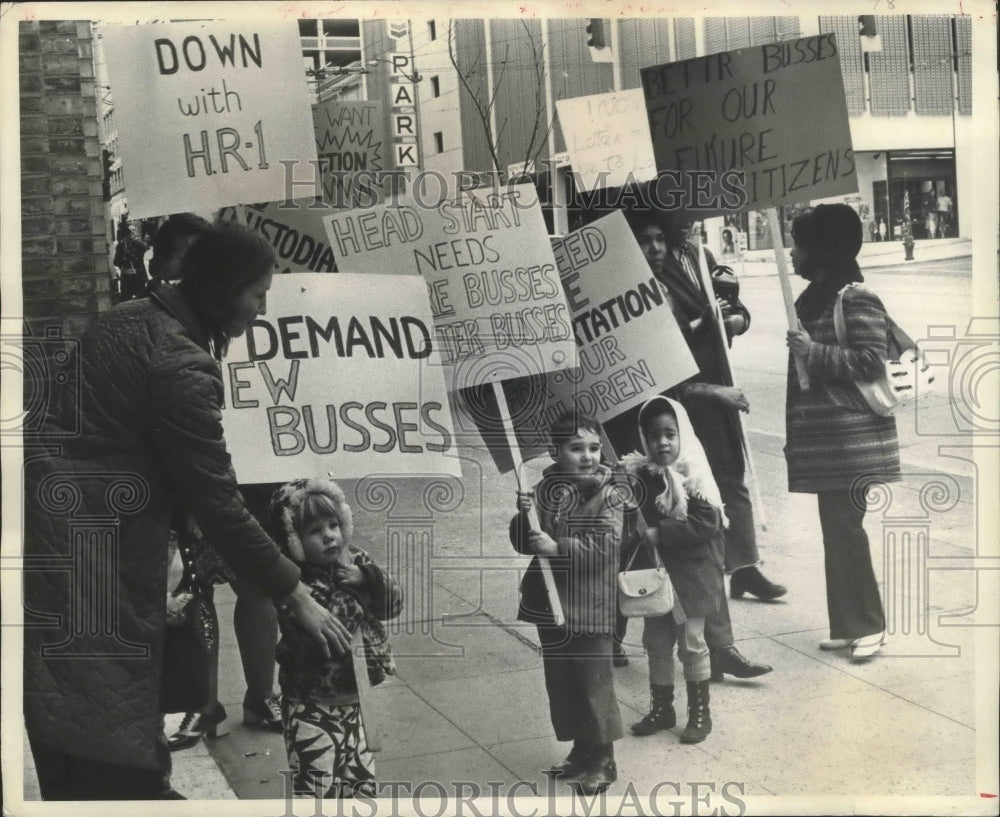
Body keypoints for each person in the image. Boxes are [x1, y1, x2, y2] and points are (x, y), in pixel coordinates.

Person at [23, 222, 353, 800]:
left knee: (91, 722)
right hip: (96, 558)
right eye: (257, 294)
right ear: (224, 291)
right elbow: (217, 500)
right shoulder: (178, 362)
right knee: (105, 744)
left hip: (67, 538)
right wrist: (293, 592)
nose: (263, 308)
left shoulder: (133, 318)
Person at [616, 207, 779, 683]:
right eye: (645, 242)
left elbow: (718, 321)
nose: (657, 249)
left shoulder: (687, 271)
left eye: (660, 239)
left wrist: (724, 320)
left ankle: (721, 646)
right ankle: (610, 633)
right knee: (638, 543)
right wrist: (714, 392)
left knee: (702, 544)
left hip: (686, 433)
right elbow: (660, 373)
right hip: (649, 432)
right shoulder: (632, 297)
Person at [785, 204, 897, 662]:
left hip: (852, 442)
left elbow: (872, 360)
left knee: (846, 530)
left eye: (799, 244)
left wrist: (814, 351)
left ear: (823, 251)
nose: (793, 253)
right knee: (837, 531)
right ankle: (849, 624)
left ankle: (870, 626)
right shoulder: (814, 297)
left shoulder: (856, 298)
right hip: (828, 443)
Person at [509, 410, 627, 796]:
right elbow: (526, 540)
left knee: (593, 683)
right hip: (552, 606)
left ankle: (603, 759)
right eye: (576, 448)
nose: (588, 456)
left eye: (593, 447)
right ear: (554, 451)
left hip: (588, 607)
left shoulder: (609, 494)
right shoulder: (546, 491)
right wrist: (524, 517)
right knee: (564, 682)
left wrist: (559, 547)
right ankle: (581, 750)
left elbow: (607, 547)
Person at [266, 477, 402, 799]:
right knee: (318, 791)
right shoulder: (295, 586)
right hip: (311, 708)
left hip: (356, 700)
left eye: (333, 524)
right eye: (315, 531)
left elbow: (393, 604)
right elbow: (332, 632)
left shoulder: (355, 562)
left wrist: (370, 577)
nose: (329, 536)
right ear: (294, 541)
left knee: (362, 789)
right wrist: (358, 591)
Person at [622, 396, 726, 743]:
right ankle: (662, 707)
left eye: (669, 434)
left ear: (682, 435)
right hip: (655, 578)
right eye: (653, 436)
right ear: (644, 439)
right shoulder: (640, 477)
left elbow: (707, 523)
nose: (662, 442)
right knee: (656, 642)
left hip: (691, 580)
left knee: (692, 645)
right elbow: (632, 522)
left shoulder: (693, 476)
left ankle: (700, 713)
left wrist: (660, 532)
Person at [113, 222, 149, 300]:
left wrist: (133, 243)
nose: (125, 239)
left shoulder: (136, 244)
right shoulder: (120, 247)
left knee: (140, 299)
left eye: (127, 236)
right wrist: (123, 255)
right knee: (126, 299)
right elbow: (116, 262)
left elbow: (145, 248)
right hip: (126, 278)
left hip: (138, 276)